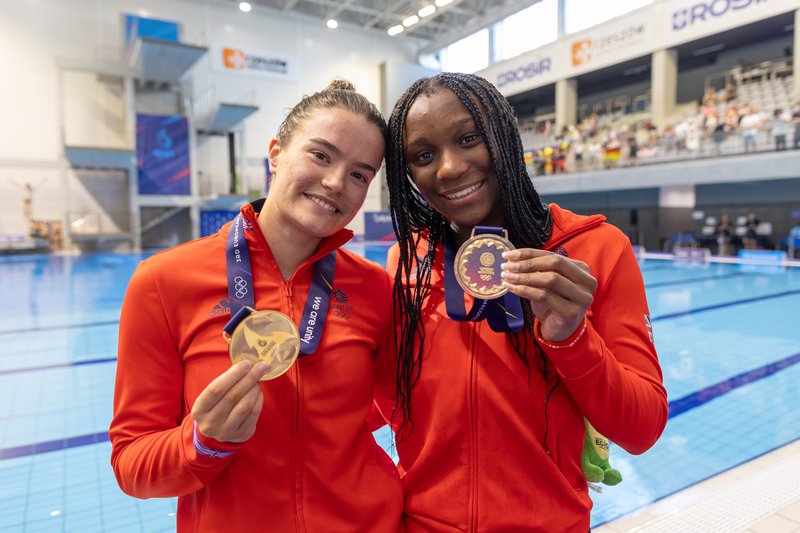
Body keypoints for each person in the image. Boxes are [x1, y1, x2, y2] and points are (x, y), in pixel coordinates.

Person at [376, 73, 667, 532]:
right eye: (423, 155)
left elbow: (642, 428)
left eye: (469, 138)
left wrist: (572, 337)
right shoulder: (405, 261)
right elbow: (388, 405)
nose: (449, 168)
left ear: (504, 137)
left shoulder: (597, 249)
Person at [109, 80, 403, 532]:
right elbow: (132, 464)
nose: (335, 182)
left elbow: (392, 407)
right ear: (276, 152)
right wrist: (202, 443)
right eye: (320, 155)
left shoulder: (374, 288)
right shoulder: (164, 282)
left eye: (359, 174)